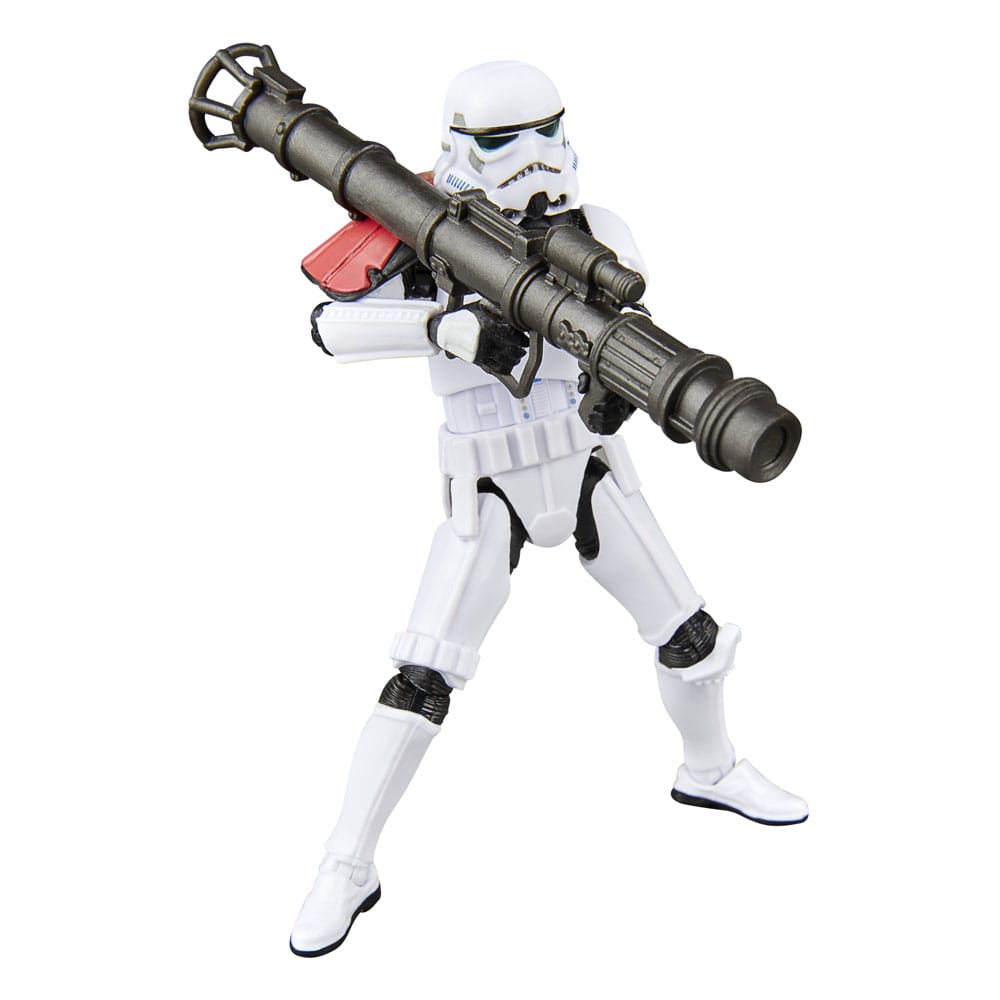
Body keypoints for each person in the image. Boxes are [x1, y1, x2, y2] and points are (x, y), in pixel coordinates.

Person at [289, 60, 807, 958]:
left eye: (545, 133)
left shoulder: (597, 232)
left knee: (691, 637)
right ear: (459, 145)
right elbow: (329, 327)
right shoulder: (419, 231)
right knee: (423, 677)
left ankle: (711, 768)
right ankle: (347, 862)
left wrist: (617, 388)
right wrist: (440, 324)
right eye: (502, 142)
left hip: (587, 463)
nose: (530, 158)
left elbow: (618, 336)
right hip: (487, 481)